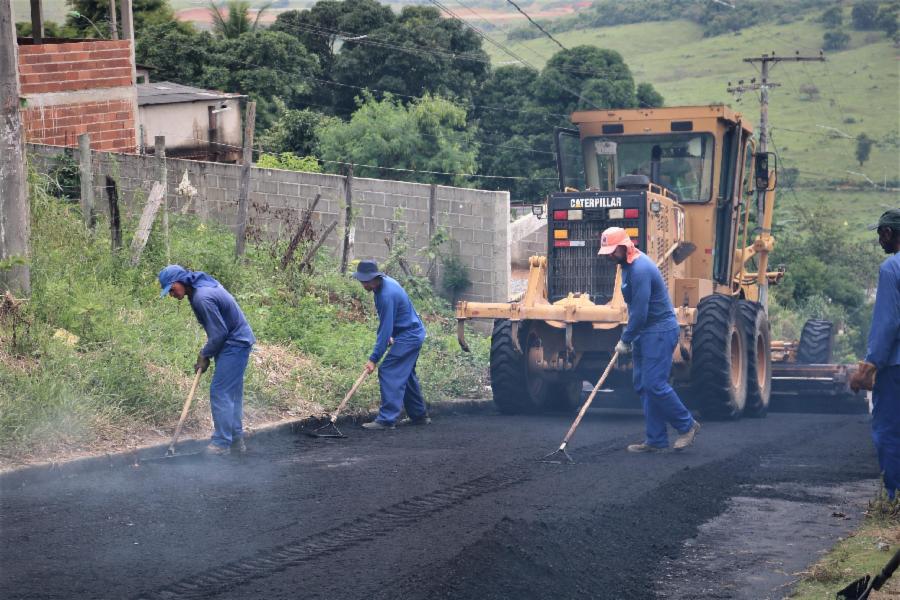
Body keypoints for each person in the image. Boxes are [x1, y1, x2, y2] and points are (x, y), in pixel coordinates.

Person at [598, 227, 700, 452]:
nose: (608, 256)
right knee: (643, 385)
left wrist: (626, 338)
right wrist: (633, 336)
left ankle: (687, 424)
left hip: (659, 331)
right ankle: (655, 439)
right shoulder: (625, 266)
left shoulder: (640, 269)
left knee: (655, 384)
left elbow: (641, 312)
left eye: (612, 251)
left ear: (624, 247)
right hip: (645, 332)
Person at [158, 265, 255, 455]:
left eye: (171, 289)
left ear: (180, 281)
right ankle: (235, 441)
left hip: (234, 343)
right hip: (235, 342)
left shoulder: (202, 297)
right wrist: (209, 353)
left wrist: (204, 354)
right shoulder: (200, 286)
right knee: (231, 393)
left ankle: (221, 444)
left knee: (220, 391)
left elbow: (219, 333)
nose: (171, 294)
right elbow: (218, 331)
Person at [851, 208, 900, 497]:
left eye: (880, 234)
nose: (880, 240)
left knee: (890, 431)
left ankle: (894, 498)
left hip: (895, 369)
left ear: (888, 233)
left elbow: (887, 323)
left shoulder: (892, 268)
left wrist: (868, 366)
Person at [352, 260, 429, 430]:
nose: (363, 284)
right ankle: (419, 416)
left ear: (374, 278)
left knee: (389, 370)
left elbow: (384, 329)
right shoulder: (382, 286)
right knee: (405, 373)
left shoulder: (386, 294)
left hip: (410, 335)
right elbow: (393, 320)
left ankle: (386, 420)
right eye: (361, 280)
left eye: (365, 281)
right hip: (409, 332)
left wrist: (373, 359)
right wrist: (393, 335)